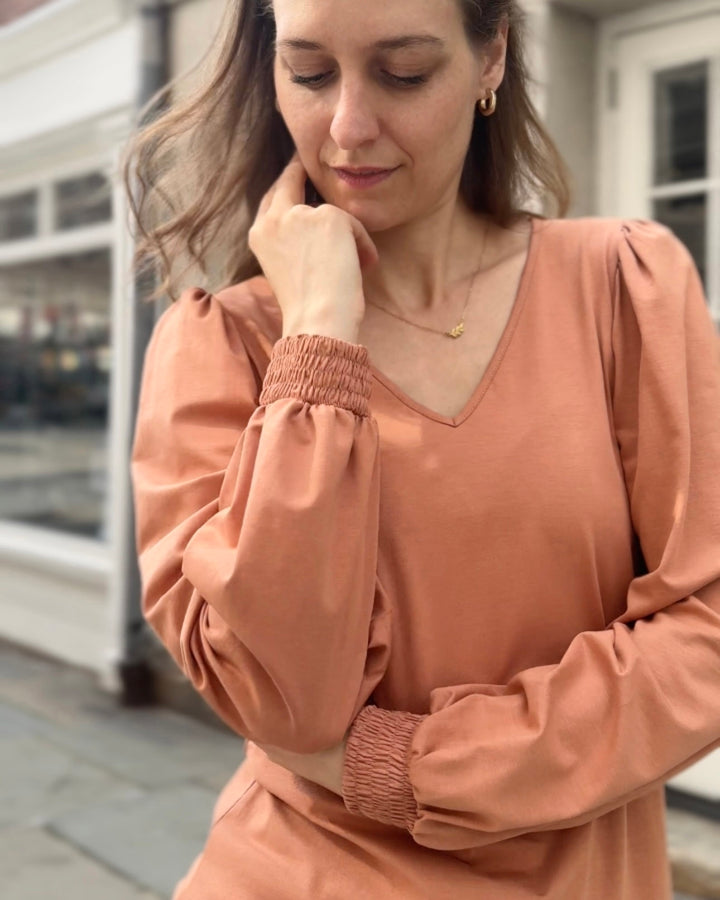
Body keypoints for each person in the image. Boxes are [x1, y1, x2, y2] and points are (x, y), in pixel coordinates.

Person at [125, 0, 720, 897]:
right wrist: (318, 337)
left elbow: (707, 632)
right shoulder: (220, 345)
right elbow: (283, 701)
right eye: (309, 73)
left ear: (491, 58)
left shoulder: (621, 286)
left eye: (404, 73)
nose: (348, 127)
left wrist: (413, 769)